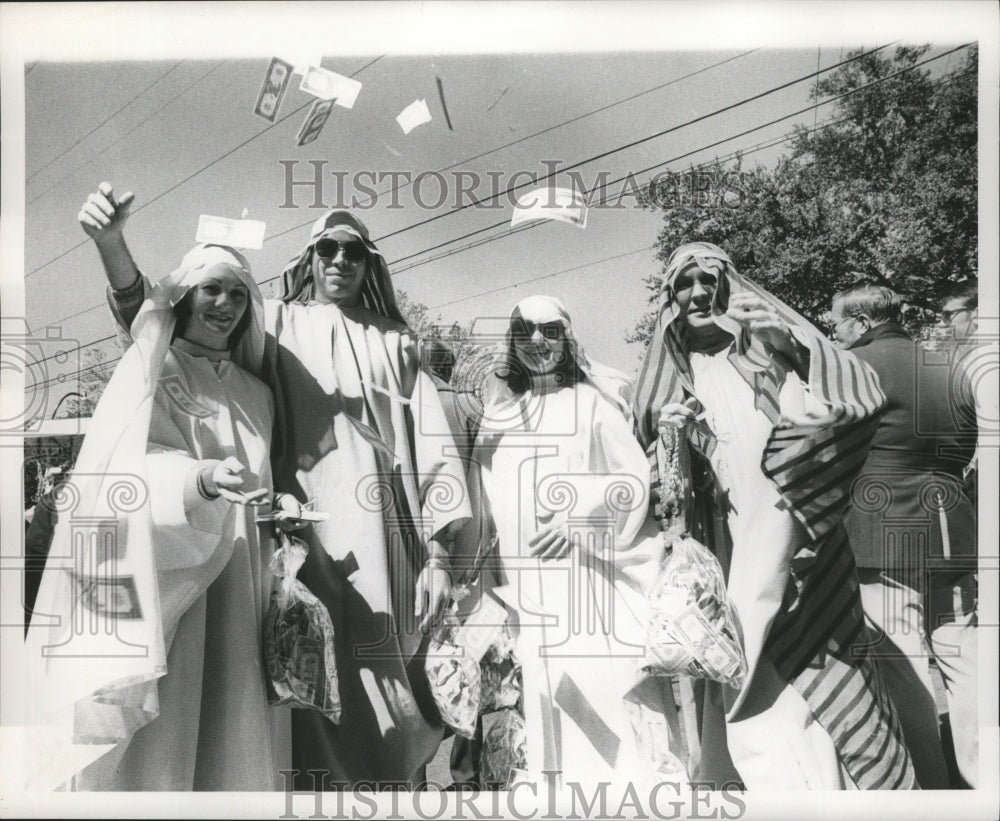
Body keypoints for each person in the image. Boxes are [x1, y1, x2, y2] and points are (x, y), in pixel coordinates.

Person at [85, 183, 472, 788]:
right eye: (327, 250)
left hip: (386, 552)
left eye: (354, 252)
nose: (339, 260)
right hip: (295, 548)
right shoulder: (274, 327)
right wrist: (114, 251)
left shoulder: (398, 344)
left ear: (371, 265)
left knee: (390, 694)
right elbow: (161, 331)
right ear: (308, 260)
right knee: (294, 691)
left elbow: (436, 451)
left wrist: (443, 553)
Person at [633, 242, 915, 790]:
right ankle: (763, 785)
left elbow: (853, 398)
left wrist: (793, 344)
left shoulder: (769, 351)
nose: (697, 293)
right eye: (684, 284)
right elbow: (646, 485)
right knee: (742, 671)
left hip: (796, 535)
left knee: (817, 667)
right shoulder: (671, 377)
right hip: (723, 550)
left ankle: (832, 786)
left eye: (707, 280)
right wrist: (667, 437)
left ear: (729, 287)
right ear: (671, 299)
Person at [25, 243, 296, 790]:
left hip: (241, 584)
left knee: (233, 725)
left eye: (239, 293)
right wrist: (199, 480)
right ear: (185, 297)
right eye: (211, 289)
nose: (225, 303)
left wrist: (280, 507)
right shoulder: (155, 369)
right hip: (171, 580)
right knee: (168, 731)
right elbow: (128, 469)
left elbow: (262, 480)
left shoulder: (259, 393)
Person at [473, 295, 685, 788]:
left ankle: (620, 797)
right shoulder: (500, 418)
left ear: (566, 338)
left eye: (549, 329)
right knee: (548, 696)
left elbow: (631, 483)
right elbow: (488, 508)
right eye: (525, 331)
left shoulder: (591, 402)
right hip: (527, 587)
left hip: (588, 582)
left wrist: (575, 520)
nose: (538, 340)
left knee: (599, 695)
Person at [830, 282, 978, 788]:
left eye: (839, 324)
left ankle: (931, 788)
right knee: (966, 662)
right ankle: (987, 779)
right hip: (954, 529)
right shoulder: (950, 366)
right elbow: (966, 443)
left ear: (862, 322)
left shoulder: (851, 368)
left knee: (904, 666)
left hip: (881, 529)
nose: (837, 334)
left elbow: (827, 450)